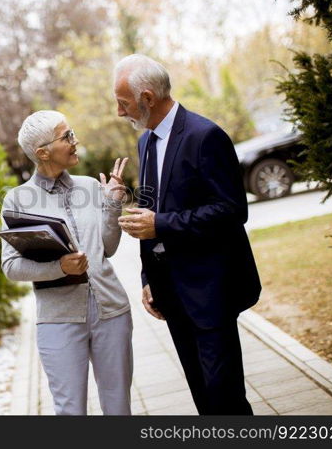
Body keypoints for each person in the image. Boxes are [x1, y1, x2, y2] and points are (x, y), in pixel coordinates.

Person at [114, 54, 261, 415]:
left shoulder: (205, 136)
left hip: (211, 291)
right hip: (171, 293)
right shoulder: (145, 143)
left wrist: (160, 225)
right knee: (202, 396)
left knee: (224, 397)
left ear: (147, 98)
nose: (120, 113)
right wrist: (148, 277)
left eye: (123, 103)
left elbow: (231, 211)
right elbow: (150, 211)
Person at [0, 110, 133, 415]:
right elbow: (11, 266)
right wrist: (59, 268)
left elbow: (107, 249)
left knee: (118, 406)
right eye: (66, 137)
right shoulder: (18, 200)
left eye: (72, 133)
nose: (75, 141)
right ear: (42, 152)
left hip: (111, 312)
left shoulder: (89, 186)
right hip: (58, 319)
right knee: (71, 410)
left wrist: (112, 204)